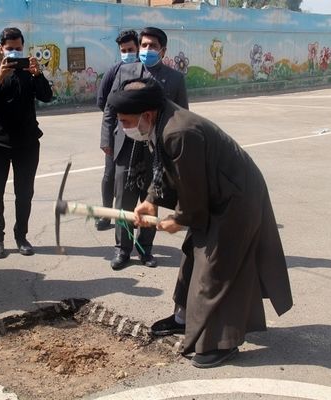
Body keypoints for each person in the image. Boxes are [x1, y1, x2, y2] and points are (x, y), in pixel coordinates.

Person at [107, 79, 293, 368]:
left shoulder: (179, 131)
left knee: (216, 266)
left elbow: (193, 192)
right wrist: (152, 199)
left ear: (146, 115)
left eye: (125, 121)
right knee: (193, 255)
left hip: (236, 197)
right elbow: (166, 167)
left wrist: (177, 220)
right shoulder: (159, 120)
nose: (123, 127)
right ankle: (184, 318)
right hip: (216, 190)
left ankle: (222, 342)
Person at [100, 27, 188, 270]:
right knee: (123, 201)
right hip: (125, 146)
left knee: (151, 199)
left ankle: (144, 249)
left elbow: (182, 116)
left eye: (153, 46)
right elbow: (110, 107)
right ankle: (122, 249)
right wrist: (107, 139)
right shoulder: (125, 71)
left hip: (155, 150)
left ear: (163, 50)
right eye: (144, 45)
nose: (147, 50)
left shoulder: (174, 79)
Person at [0, 27, 53, 259]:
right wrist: (0, 77)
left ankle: (21, 236)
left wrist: (38, 74)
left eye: (18, 48)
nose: (14, 52)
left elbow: (47, 97)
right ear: (1, 49)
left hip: (27, 142)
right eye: (10, 48)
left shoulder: (30, 73)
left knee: (24, 193)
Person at [94, 30, 139, 232]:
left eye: (130, 49)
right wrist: (107, 138)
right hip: (117, 134)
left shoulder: (145, 69)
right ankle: (106, 214)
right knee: (110, 175)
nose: (127, 53)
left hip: (141, 135)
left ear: (137, 48)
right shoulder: (114, 71)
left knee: (135, 179)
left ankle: (134, 216)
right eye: (123, 50)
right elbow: (103, 104)